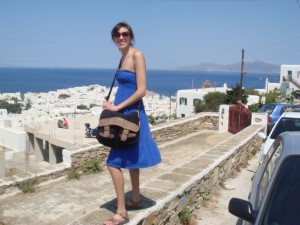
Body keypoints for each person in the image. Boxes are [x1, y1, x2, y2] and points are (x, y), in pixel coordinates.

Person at [102, 22, 161, 225]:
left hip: (131, 113)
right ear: (113, 38)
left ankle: (121, 212)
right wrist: (111, 105)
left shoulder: (137, 55)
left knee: (113, 163)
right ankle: (135, 199)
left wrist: (117, 108)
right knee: (130, 160)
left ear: (131, 36)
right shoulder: (121, 58)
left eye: (124, 33)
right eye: (117, 34)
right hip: (121, 113)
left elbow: (141, 90)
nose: (121, 37)